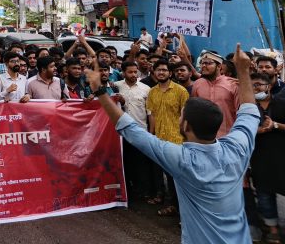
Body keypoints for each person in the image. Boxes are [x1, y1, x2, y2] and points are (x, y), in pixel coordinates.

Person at [88, 45, 258, 244]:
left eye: (181, 115)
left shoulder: (181, 160)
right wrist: (244, 72)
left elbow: (130, 130)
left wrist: (100, 92)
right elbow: (249, 112)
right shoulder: (237, 148)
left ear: (185, 125)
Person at [146, 58, 189, 216]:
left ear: (170, 73)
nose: (161, 72)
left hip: (177, 140)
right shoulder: (152, 92)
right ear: (154, 72)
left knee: (177, 177)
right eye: (159, 70)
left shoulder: (181, 91)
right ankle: (170, 204)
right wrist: (151, 136)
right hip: (159, 140)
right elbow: (152, 115)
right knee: (164, 174)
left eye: (164, 70)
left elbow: (185, 116)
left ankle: (181, 209)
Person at [249, 72, 285, 242]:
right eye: (252, 86)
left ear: (269, 86)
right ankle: (273, 230)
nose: (255, 89)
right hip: (260, 159)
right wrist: (257, 131)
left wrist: (275, 125)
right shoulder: (248, 108)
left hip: (281, 155)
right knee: (264, 195)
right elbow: (240, 130)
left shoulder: (281, 103)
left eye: (258, 85)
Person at [114, 60, 153, 200]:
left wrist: (150, 132)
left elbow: (150, 113)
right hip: (121, 133)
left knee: (141, 163)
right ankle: (128, 191)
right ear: (123, 73)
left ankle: (143, 191)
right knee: (125, 162)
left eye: (135, 72)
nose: (133, 74)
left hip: (140, 131)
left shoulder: (146, 89)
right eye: (130, 72)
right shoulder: (116, 87)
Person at [192, 50, 240, 137]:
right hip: (203, 137)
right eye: (202, 63)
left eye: (208, 63)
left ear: (219, 66)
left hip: (227, 136)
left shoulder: (232, 84)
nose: (203, 66)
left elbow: (239, 112)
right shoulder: (197, 84)